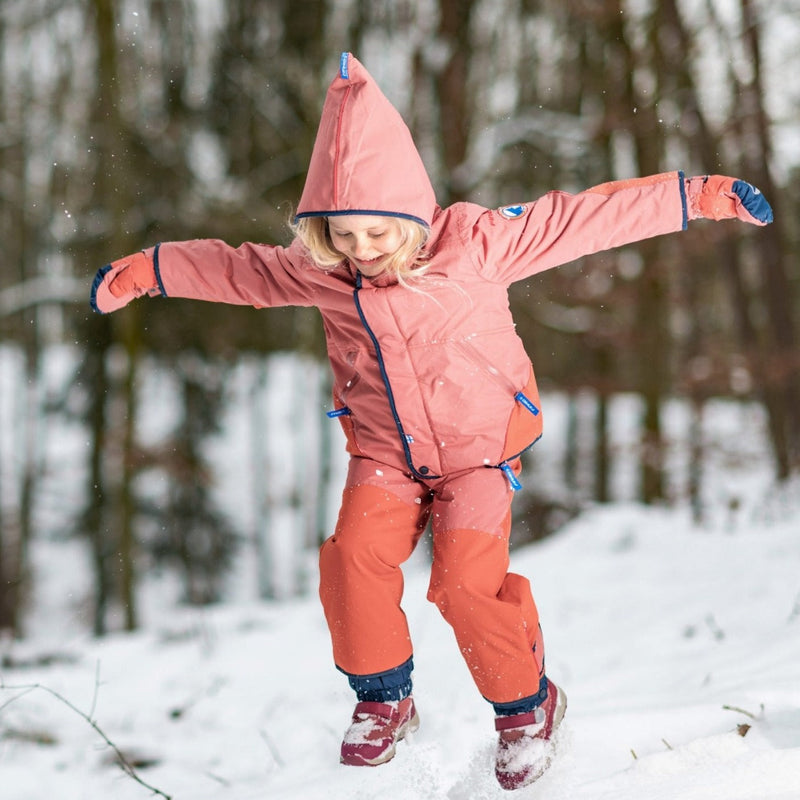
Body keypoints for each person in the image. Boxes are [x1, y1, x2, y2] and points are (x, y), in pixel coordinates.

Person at [90, 52, 773, 790]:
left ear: (412, 213)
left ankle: (526, 707)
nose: (362, 252)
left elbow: (585, 219)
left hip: (479, 455)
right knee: (352, 557)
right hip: (384, 454)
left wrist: (699, 196)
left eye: (378, 234)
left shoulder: (478, 243)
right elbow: (233, 269)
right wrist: (143, 272)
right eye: (343, 236)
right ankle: (384, 702)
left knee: (463, 583)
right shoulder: (322, 274)